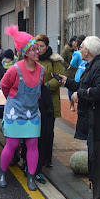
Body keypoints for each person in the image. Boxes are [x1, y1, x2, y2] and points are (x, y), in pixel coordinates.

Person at [60, 36, 100, 199]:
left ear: (88, 51)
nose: (79, 49)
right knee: (94, 160)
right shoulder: (94, 65)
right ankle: (98, 196)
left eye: (82, 47)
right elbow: (84, 85)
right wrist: (68, 83)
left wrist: (81, 94)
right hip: (95, 123)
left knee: (99, 162)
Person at [0, 25, 42, 191]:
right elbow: (4, 86)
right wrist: (13, 103)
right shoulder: (15, 70)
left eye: (37, 48)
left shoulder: (42, 70)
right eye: (33, 49)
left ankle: (31, 177)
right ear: (24, 52)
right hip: (15, 112)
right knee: (12, 144)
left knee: (32, 145)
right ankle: (2, 173)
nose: (37, 52)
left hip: (33, 114)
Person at [35, 34, 64, 172]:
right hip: (34, 101)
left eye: (42, 46)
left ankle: (47, 157)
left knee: (48, 131)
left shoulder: (54, 60)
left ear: (47, 46)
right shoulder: (32, 58)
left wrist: (45, 87)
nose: (39, 49)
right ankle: (35, 156)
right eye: (37, 46)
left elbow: (59, 78)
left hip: (49, 102)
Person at [69, 35, 88, 112]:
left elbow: (72, 63)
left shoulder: (77, 53)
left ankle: (73, 105)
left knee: (75, 89)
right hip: (88, 73)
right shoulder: (89, 51)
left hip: (79, 73)